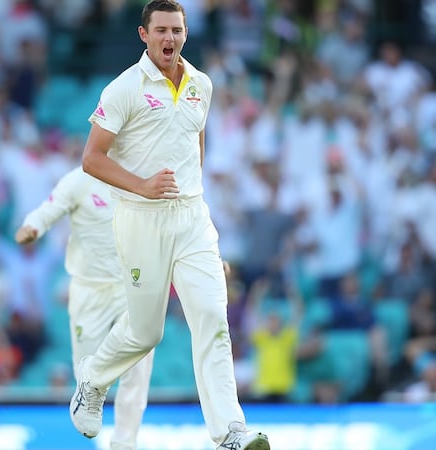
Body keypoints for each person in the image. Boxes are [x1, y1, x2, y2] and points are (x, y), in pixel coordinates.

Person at [69, 1, 271, 449]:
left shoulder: (201, 84)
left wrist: (200, 221)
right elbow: (92, 158)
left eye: (177, 30)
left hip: (192, 219)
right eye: (160, 30)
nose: (169, 38)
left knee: (213, 319)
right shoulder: (123, 88)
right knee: (147, 332)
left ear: (185, 33)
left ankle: (229, 433)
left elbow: (193, 151)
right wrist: (141, 186)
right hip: (141, 220)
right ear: (144, 34)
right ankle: (93, 380)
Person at [15, 166, 155, 450]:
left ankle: (125, 442)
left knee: (138, 366)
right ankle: (87, 407)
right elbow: (50, 208)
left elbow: (172, 223)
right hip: (88, 290)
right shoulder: (80, 179)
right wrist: (33, 226)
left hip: (131, 286)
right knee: (86, 371)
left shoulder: (142, 176)